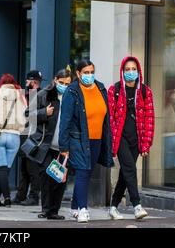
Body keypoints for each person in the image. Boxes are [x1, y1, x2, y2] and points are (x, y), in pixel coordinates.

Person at [59, 60, 114, 223]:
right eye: (86, 72)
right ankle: (83, 209)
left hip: (97, 140)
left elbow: (106, 116)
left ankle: (75, 208)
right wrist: (64, 146)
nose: (89, 75)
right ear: (78, 73)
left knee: (87, 173)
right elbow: (65, 121)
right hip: (78, 139)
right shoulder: (72, 91)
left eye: (92, 72)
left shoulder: (101, 88)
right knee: (83, 171)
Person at [108, 57, 155, 220]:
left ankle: (113, 206)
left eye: (133, 69)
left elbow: (150, 118)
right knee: (130, 169)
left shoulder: (145, 91)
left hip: (137, 139)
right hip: (120, 137)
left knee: (125, 173)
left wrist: (146, 144)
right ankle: (137, 205)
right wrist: (112, 140)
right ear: (122, 71)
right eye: (127, 69)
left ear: (138, 71)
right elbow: (111, 118)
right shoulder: (114, 90)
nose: (130, 72)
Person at [24, 68, 72, 219]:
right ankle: (46, 209)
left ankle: (54, 211)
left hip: (64, 146)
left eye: (67, 83)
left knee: (59, 178)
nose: (64, 85)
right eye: (61, 82)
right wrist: (44, 112)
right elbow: (28, 115)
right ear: (55, 80)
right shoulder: (43, 94)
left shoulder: (72, 97)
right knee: (46, 176)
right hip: (46, 145)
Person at [0, 74, 27, 208]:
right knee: (5, 169)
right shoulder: (20, 96)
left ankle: (7, 198)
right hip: (14, 136)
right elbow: (26, 115)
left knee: (1, 168)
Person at [13, 70, 43, 207]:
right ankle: (20, 195)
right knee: (24, 169)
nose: (26, 83)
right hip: (24, 134)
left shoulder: (42, 96)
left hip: (34, 136)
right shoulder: (27, 95)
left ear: (33, 82)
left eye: (27, 81)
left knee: (33, 169)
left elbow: (38, 115)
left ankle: (34, 196)